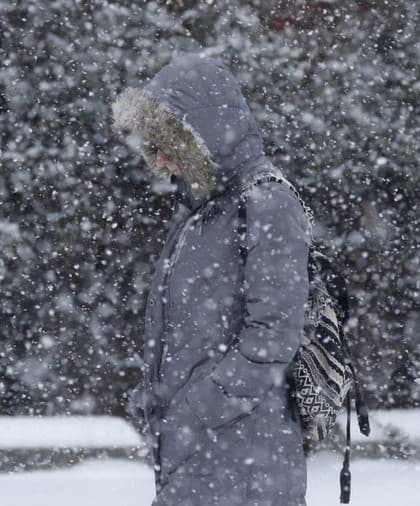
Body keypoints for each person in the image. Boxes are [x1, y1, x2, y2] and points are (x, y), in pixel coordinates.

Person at [111, 54, 311, 506]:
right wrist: (163, 403)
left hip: (244, 454)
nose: (159, 158)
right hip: (200, 451)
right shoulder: (201, 212)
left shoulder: (265, 203)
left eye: (170, 143)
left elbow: (275, 332)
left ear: (204, 138)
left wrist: (204, 407)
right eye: (154, 144)